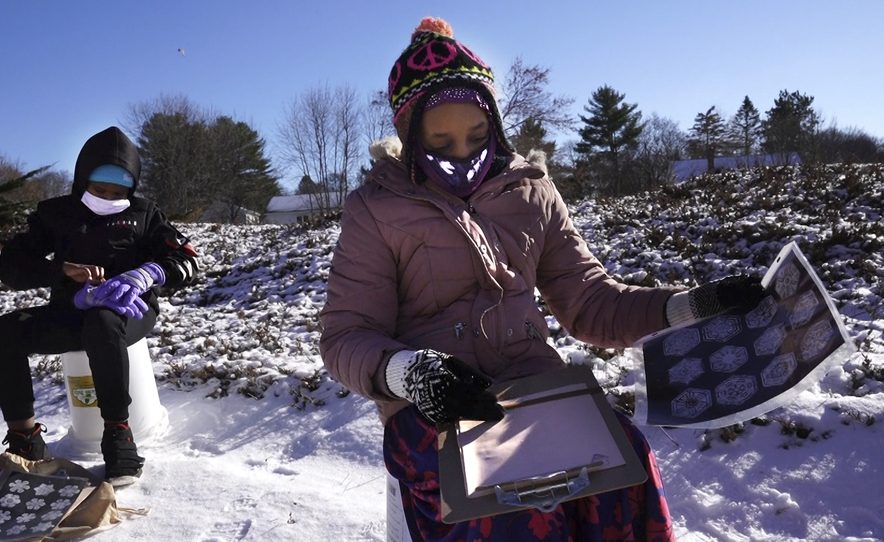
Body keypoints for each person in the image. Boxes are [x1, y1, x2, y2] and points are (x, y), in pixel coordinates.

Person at [319, 17, 764, 542]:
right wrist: (410, 373)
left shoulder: (533, 193)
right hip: (437, 409)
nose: (463, 154)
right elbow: (346, 336)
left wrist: (688, 306)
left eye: (478, 135)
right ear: (410, 135)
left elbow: (592, 302)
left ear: (496, 125)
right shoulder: (376, 209)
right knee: (513, 511)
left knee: (626, 469)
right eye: (441, 140)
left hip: (539, 393)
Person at [0, 126, 200, 488]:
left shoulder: (145, 214)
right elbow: (11, 267)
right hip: (68, 311)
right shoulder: (55, 214)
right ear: (82, 181)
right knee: (4, 332)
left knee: (102, 322)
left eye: (118, 192)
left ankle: (118, 434)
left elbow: (187, 261)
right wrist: (59, 272)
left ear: (131, 189)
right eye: (99, 189)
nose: (108, 197)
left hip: (129, 314)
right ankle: (25, 441)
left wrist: (148, 273)